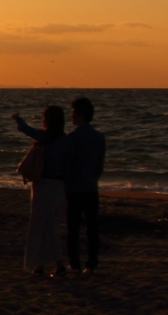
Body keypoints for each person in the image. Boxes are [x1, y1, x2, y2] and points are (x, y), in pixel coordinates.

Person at [11, 106, 72, 276]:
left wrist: (18, 119)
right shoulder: (66, 141)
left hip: (43, 184)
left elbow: (26, 130)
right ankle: (42, 265)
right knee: (50, 224)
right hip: (59, 186)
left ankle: (56, 264)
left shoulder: (45, 137)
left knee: (40, 225)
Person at [66, 96, 106, 273]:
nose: (71, 117)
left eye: (74, 113)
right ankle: (92, 263)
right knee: (92, 228)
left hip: (75, 188)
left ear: (81, 115)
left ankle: (74, 263)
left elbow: (68, 164)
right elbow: (99, 166)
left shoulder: (73, 138)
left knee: (73, 228)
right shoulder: (99, 137)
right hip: (91, 187)